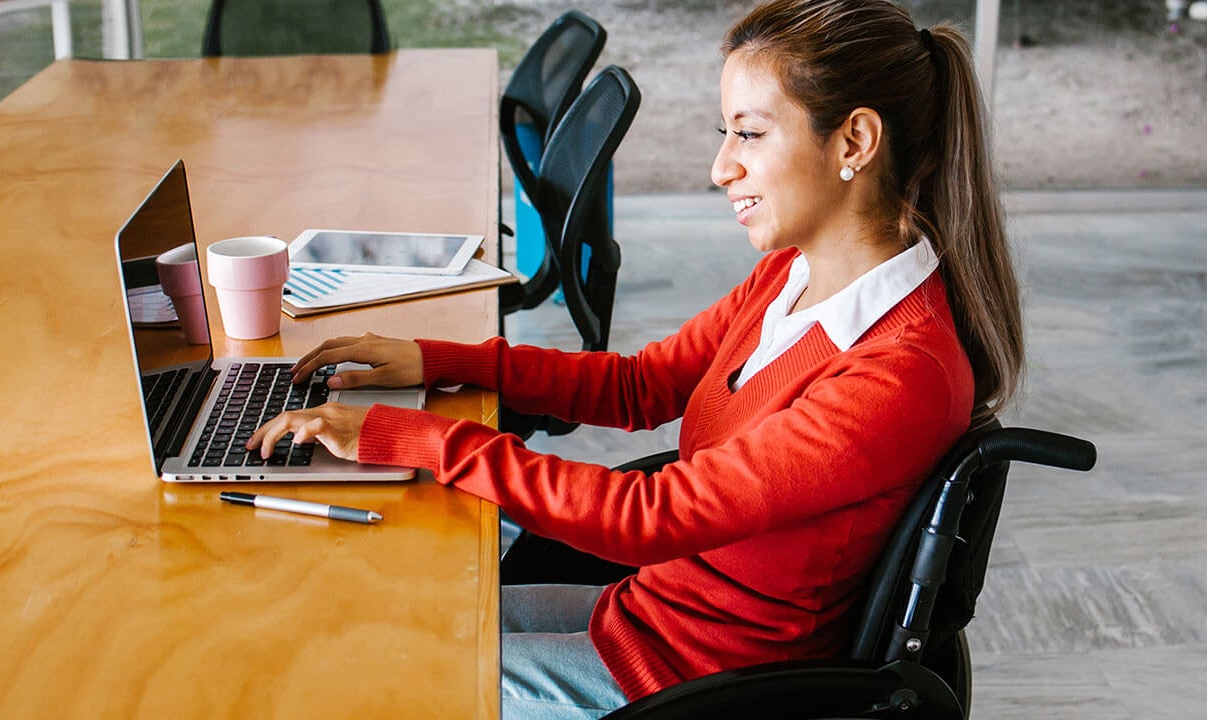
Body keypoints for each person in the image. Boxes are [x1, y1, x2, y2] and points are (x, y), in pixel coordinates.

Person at [248, 0, 1022, 717]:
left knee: (358, 673)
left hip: (695, 682)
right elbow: (642, 385)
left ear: (854, 141)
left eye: (749, 134)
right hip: (650, 617)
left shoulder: (898, 371)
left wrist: (406, 437)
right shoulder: (794, 277)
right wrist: (440, 358)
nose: (722, 168)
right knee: (381, 614)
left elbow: (649, 518)